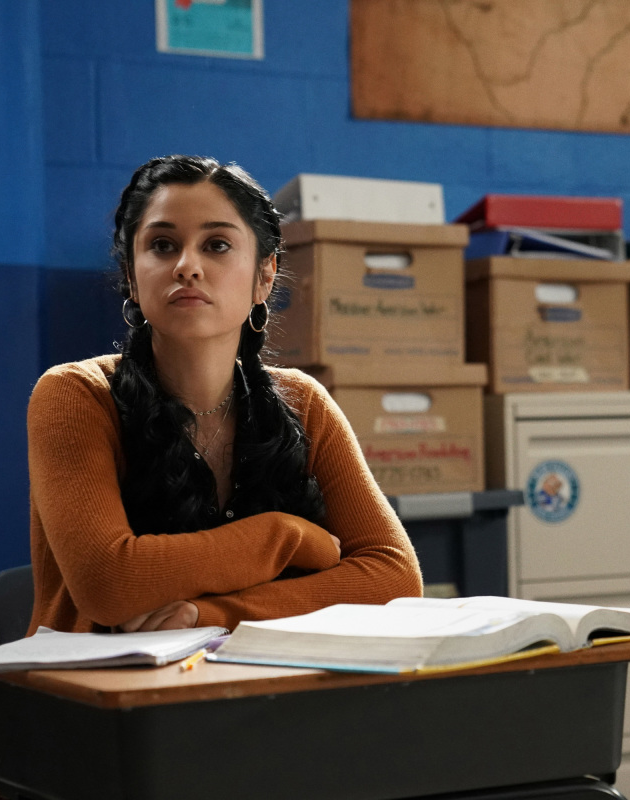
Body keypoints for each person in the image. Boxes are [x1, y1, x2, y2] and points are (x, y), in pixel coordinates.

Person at [25, 154, 423, 635]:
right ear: (132, 274)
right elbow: (110, 584)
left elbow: (394, 575)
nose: (187, 266)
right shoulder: (76, 395)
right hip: (99, 697)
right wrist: (288, 536)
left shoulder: (305, 403)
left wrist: (213, 616)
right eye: (163, 245)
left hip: (252, 691)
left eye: (216, 245)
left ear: (265, 275)